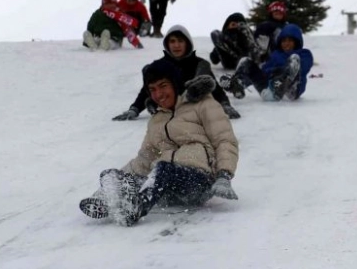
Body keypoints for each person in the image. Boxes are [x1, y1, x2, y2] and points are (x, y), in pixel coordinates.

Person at [79, 58, 239, 227]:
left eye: (163, 86)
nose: (158, 94)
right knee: (115, 175)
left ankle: (136, 207)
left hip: (199, 181)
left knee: (163, 169)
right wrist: (121, 177)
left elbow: (224, 140)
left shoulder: (202, 104)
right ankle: (105, 199)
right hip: (164, 184)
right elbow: (145, 157)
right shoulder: (156, 120)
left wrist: (224, 175)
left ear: (175, 83)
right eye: (153, 90)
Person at [112, 24, 241, 120]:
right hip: (171, 100)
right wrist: (134, 109)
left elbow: (215, 89)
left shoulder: (198, 63)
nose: (176, 45)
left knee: (204, 67)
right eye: (172, 41)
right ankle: (159, 104)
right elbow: (147, 90)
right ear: (167, 44)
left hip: (193, 101)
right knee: (150, 69)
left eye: (180, 41)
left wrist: (225, 105)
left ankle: (166, 106)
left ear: (187, 43)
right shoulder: (162, 64)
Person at [220, 24, 313, 101]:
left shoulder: (303, 53)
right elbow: (264, 71)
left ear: (296, 41)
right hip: (269, 89)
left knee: (294, 59)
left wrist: (283, 72)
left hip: (291, 91)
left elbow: (304, 67)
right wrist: (272, 72)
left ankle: (282, 83)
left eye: (290, 40)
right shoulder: (275, 54)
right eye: (284, 41)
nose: (286, 43)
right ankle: (238, 84)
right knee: (246, 61)